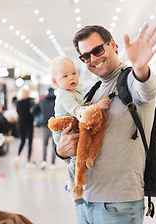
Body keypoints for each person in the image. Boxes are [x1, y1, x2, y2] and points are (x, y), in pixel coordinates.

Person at [54, 23, 156, 224]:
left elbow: (147, 90)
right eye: (85, 56)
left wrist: (140, 66)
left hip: (118, 205)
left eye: (97, 50)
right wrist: (61, 151)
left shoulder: (130, 80)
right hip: (85, 201)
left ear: (113, 44)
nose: (93, 58)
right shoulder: (94, 90)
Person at [49, 56, 109, 204]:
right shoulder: (64, 95)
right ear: (55, 82)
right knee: (76, 157)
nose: (71, 78)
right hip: (65, 129)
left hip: (70, 127)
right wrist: (96, 106)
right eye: (65, 76)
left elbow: (80, 106)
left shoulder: (74, 92)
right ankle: (71, 184)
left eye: (73, 73)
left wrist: (87, 104)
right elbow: (78, 112)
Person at [30, 87, 58, 170]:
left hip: (44, 124)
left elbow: (32, 110)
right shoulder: (57, 100)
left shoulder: (42, 101)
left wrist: (39, 115)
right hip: (55, 124)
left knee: (44, 143)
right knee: (54, 144)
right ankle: (53, 163)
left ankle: (44, 161)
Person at [15, 89, 35, 169]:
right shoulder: (30, 102)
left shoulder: (18, 103)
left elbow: (18, 113)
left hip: (20, 124)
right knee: (30, 142)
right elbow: (33, 112)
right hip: (29, 124)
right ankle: (28, 161)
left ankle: (18, 156)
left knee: (22, 141)